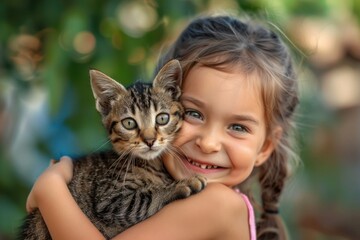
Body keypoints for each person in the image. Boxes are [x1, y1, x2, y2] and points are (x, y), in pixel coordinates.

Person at [26, 14, 299, 240]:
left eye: (238, 127)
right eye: (193, 113)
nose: (208, 143)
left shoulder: (219, 204)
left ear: (265, 147)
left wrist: (51, 190)